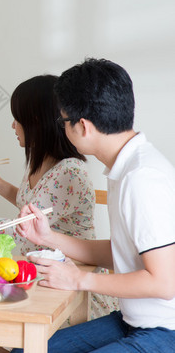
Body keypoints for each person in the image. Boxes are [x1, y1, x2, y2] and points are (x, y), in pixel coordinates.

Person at [13, 58, 175, 352]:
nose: (62, 128)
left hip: (165, 330)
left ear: (83, 126)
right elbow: (121, 252)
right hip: (133, 320)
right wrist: (47, 237)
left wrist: (78, 278)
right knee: (25, 349)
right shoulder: (125, 166)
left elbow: (164, 283)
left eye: (64, 121)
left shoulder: (141, 179)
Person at [0, 75, 117, 325]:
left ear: (35, 122)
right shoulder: (40, 162)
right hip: (38, 271)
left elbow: (19, 230)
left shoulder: (69, 172)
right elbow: (30, 205)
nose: (13, 126)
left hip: (70, 282)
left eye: (17, 119)